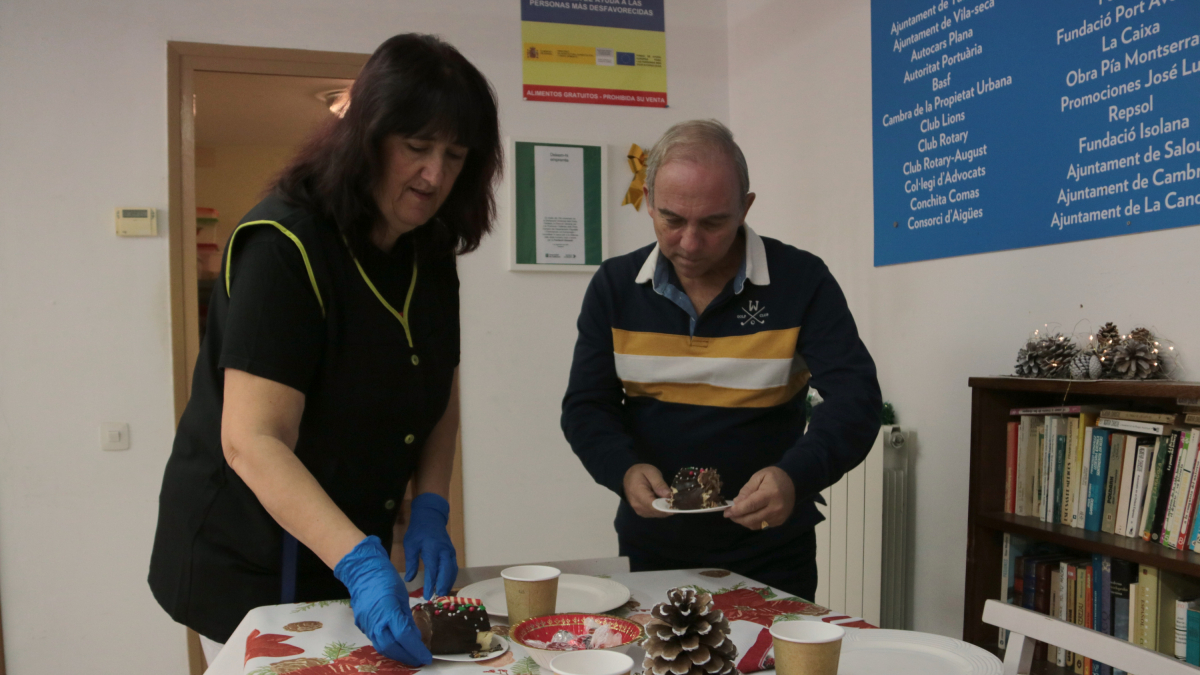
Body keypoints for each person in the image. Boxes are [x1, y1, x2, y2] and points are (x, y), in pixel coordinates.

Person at [148, 34, 501, 667]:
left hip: (345, 537)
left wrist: (432, 503)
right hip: (250, 556)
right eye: (417, 148)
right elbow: (252, 440)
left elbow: (439, 385)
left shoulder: (430, 247)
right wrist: (362, 562)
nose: (435, 175)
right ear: (366, 138)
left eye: (454, 155)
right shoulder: (283, 245)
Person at [561, 120, 881, 600]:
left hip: (772, 547)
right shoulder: (614, 286)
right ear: (648, 201)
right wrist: (623, 469)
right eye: (672, 219)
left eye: (713, 223)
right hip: (653, 548)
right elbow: (587, 406)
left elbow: (856, 400)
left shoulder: (801, 280)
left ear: (745, 208)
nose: (690, 243)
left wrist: (796, 476)